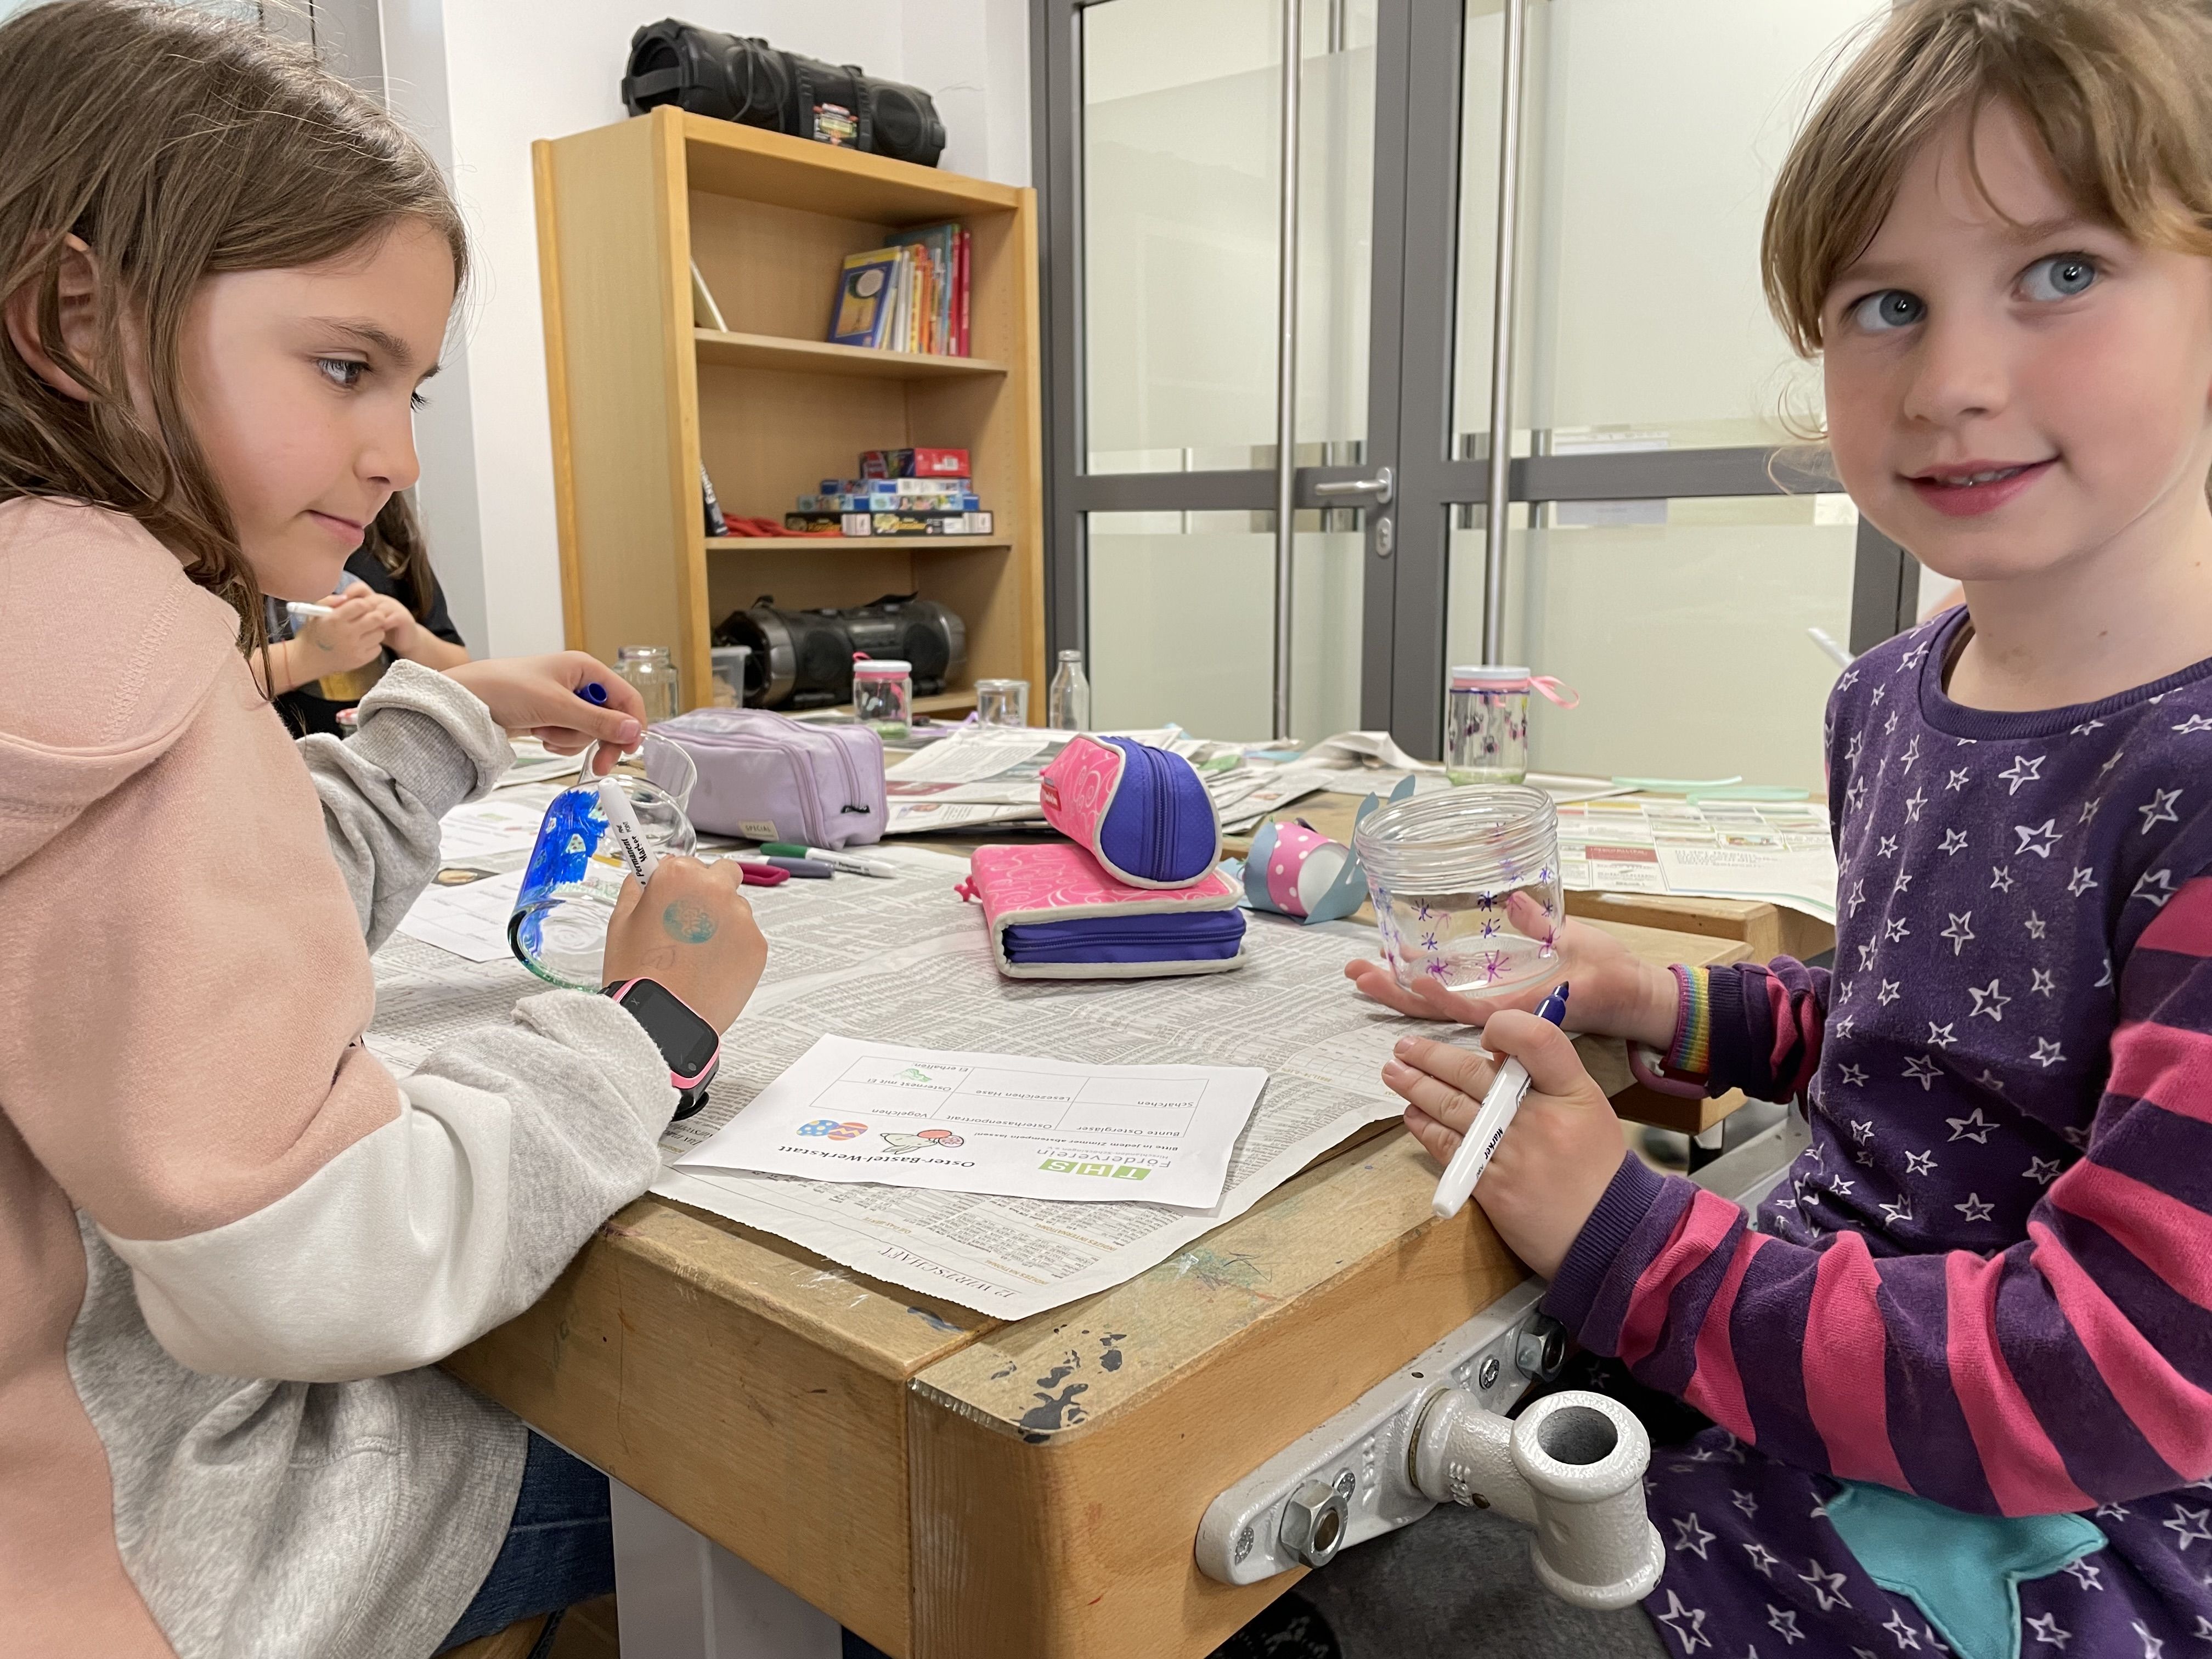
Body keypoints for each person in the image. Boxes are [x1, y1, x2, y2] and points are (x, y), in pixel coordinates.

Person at [1315, 1, 2212, 1654]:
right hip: (1791, 1365)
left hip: (2064, 1532)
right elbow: (1921, 1046)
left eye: (2063, 272)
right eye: (1885, 305)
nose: (1951, 381)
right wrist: (1647, 992)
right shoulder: (1888, 697)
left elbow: (2131, 1369)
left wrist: (1628, 1237)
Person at [0, 5, 767, 1656]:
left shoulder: (37, 611)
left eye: (410, 387)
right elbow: (321, 1262)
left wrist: (451, 716)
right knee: (764, 1460)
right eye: (346, 367)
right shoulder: (119, 643)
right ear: (75, 312)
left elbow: (189, 928)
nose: (394, 455)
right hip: (143, 1548)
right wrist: (648, 1036)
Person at [263, 490, 472, 737]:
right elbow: (211, 680)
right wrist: (304, 657)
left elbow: (462, 672)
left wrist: (412, 641)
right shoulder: (248, 546)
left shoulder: (389, 541)